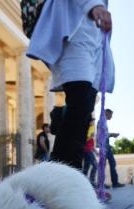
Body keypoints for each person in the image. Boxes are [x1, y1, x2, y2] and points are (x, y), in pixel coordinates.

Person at [27, 1, 114, 170]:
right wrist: (95, 6)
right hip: (72, 34)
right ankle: (60, 176)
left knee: (85, 107)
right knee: (79, 103)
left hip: (94, 41)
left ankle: (69, 175)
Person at [103, 109, 124, 188]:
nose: (111, 117)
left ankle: (115, 182)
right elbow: (102, 134)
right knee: (103, 165)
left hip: (107, 146)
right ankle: (102, 183)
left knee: (112, 163)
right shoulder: (101, 122)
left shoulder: (104, 122)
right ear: (106, 113)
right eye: (110, 115)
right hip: (104, 146)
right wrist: (112, 134)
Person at [83, 119, 98, 186]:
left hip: (89, 150)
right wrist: (91, 137)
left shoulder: (91, 130)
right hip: (87, 151)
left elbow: (91, 144)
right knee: (95, 165)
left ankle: (82, 182)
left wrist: (95, 151)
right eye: (92, 121)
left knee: (86, 167)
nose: (93, 123)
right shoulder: (85, 130)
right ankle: (91, 181)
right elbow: (84, 140)